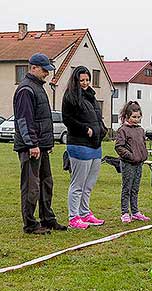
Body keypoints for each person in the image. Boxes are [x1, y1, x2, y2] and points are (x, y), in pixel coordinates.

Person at [13, 53, 67, 234]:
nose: (47, 74)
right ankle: (30, 223)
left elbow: (42, 119)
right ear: (33, 67)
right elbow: (24, 120)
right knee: (31, 186)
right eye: (44, 70)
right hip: (31, 148)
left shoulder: (38, 87)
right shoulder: (26, 89)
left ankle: (47, 219)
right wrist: (32, 144)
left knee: (46, 183)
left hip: (41, 147)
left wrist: (45, 144)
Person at [62, 66, 107, 230]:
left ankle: (85, 212)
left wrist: (102, 129)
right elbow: (68, 119)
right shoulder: (70, 97)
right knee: (78, 185)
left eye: (87, 80)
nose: (85, 83)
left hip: (95, 145)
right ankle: (73, 217)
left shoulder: (92, 96)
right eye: (82, 80)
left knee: (89, 184)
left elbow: (97, 117)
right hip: (79, 145)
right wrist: (85, 129)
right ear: (76, 80)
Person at [115, 101, 150, 223]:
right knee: (127, 188)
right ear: (127, 116)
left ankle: (135, 211)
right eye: (134, 117)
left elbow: (143, 144)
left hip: (139, 163)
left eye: (138, 117)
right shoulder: (123, 130)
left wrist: (143, 155)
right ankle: (125, 212)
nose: (136, 119)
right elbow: (119, 147)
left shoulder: (141, 130)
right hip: (128, 163)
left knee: (135, 188)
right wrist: (130, 156)